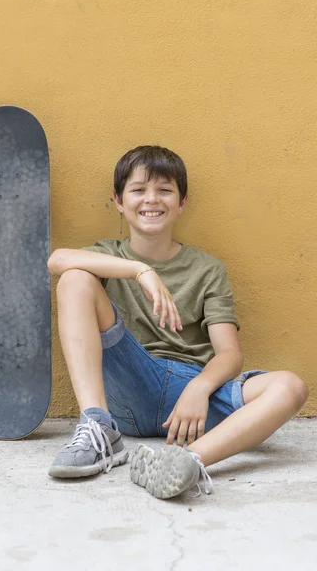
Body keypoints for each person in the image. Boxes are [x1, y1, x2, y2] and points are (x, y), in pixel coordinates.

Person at [47, 145, 308, 499]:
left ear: (182, 202)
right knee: (75, 278)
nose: (151, 199)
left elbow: (230, 354)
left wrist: (199, 389)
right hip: (130, 381)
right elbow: (58, 260)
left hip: (194, 398)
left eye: (164, 190)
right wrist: (141, 271)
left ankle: (186, 461)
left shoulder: (208, 269)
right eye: (138, 190)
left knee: (291, 387)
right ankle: (99, 428)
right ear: (119, 202)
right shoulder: (110, 255)